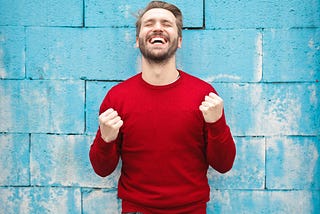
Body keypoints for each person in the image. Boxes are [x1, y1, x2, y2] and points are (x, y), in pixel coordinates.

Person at [89, 1, 236, 213]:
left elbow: (224, 165)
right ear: (137, 40)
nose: (157, 27)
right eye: (149, 23)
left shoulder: (204, 95)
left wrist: (217, 124)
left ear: (179, 41)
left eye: (166, 23)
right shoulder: (117, 97)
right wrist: (106, 139)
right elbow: (102, 170)